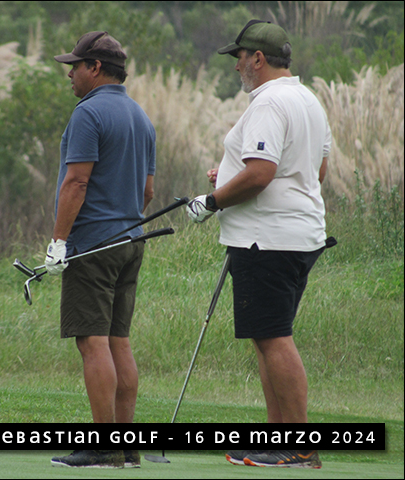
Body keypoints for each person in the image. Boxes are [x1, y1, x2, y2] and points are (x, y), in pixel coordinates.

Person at [186, 20, 331, 469]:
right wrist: (232, 175)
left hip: (266, 240)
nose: (237, 67)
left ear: (259, 59)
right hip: (295, 235)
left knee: (274, 339)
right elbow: (315, 171)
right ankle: (276, 440)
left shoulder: (268, 101)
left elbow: (262, 174)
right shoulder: (308, 99)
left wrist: (211, 200)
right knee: (267, 338)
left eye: (240, 58)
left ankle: (300, 447)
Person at [45, 31, 156, 469]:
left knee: (93, 342)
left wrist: (59, 241)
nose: (70, 74)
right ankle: (126, 447)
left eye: (75, 66)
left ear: (95, 68)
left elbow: (76, 182)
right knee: (118, 341)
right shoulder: (140, 116)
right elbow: (147, 191)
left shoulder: (88, 113)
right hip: (131, 241)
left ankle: (104, 446)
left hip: (92, 245)